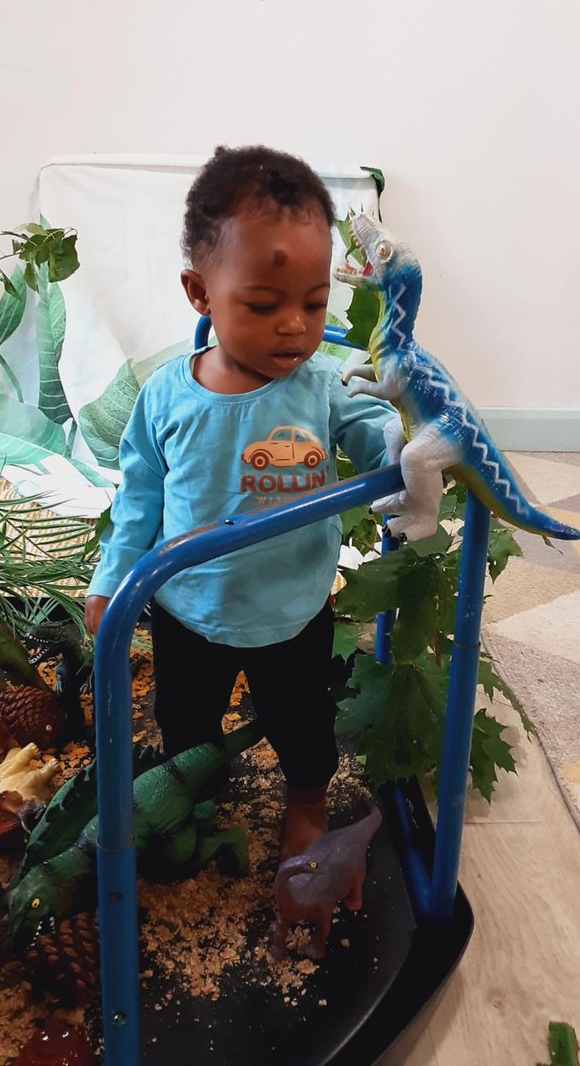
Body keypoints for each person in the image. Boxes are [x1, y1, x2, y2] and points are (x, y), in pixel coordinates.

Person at [85, 145, 396, 859]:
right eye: (263, 305)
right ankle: (193, 800)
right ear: (200, 294)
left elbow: (377, 433)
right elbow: (138, 498)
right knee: (185, 728)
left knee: (304, 727)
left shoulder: (322, 386)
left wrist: (406, 451)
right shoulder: (165, 395)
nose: (295, 324)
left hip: (294, 610)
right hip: (186, 609)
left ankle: (307, 801)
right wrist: (112, 578)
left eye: (314, 302)